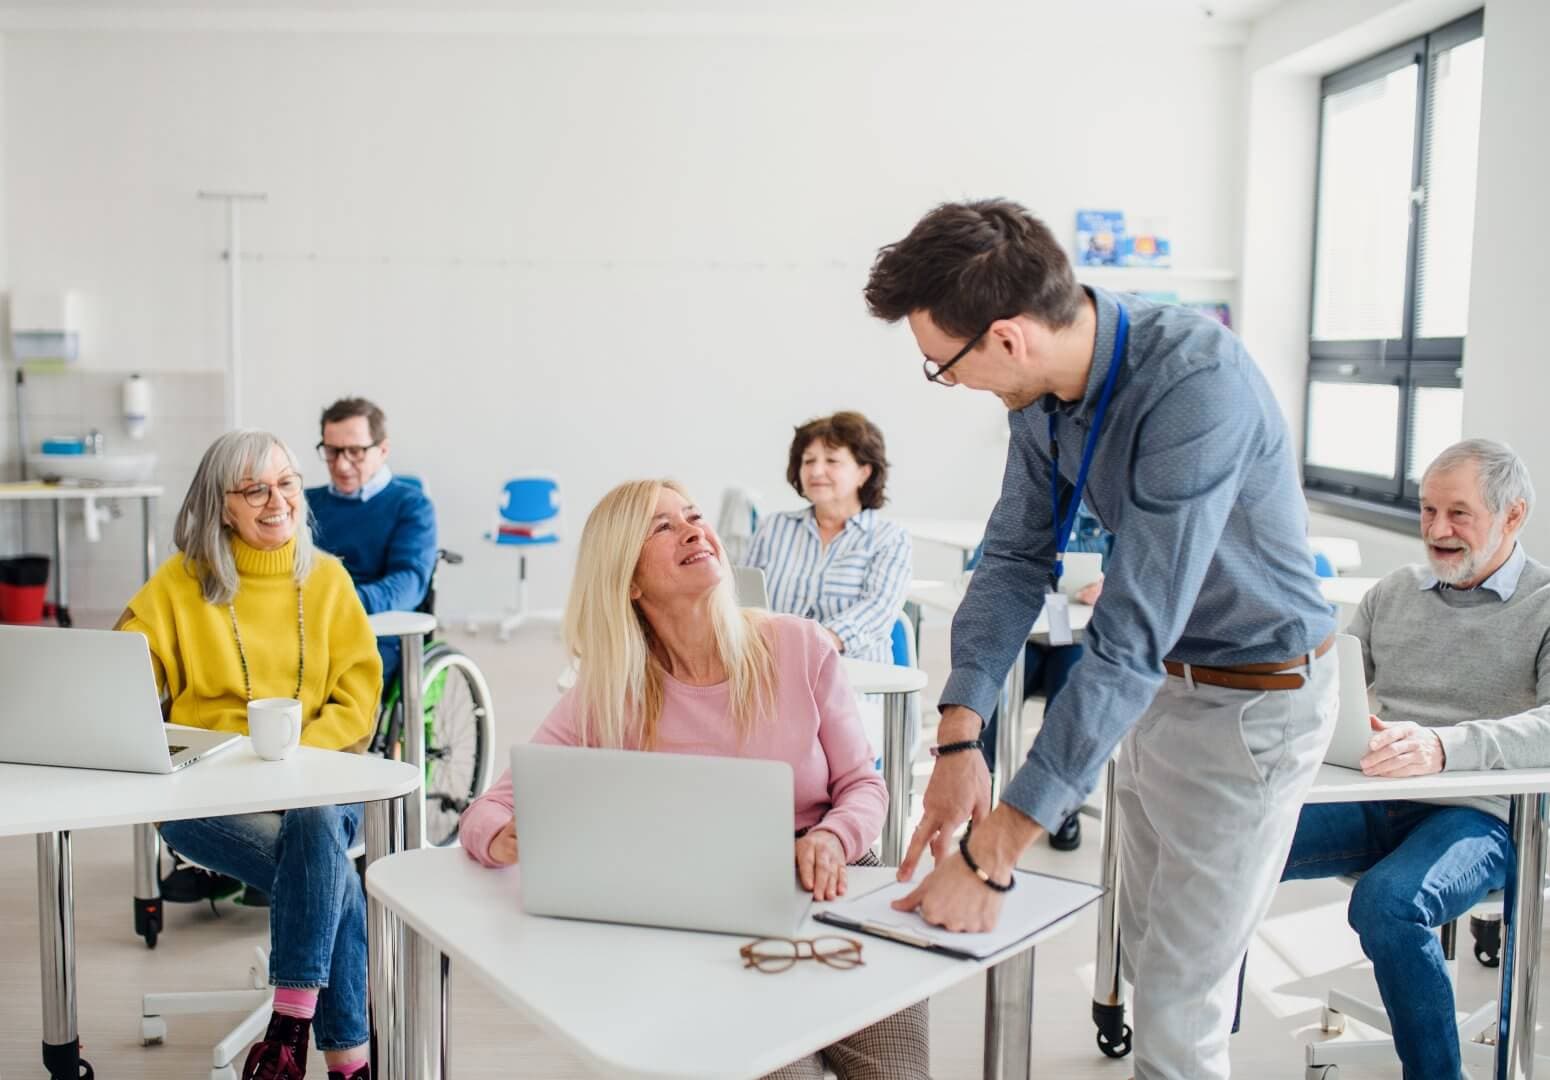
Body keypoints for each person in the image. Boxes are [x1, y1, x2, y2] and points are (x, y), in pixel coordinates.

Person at [864, 199, 1337, 1080]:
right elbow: (1012, 556)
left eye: (940, 366)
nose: (945, 381)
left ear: (1007, 338)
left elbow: (1126, 639)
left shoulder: (1197, 386)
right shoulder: (1043, 390)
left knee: (1178, 1002)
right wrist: (963, 733)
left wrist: (996, 849)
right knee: (1146, 942)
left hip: (1255, 704)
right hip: (1162, 695)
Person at [459, 479, 929, 1080]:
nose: (692, 530)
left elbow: (864, 786)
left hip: (833, 883)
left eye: (692, 515)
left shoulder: (800, 646)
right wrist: (501, 838)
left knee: (895, 1073)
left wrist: (832, 839)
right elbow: (488, 809)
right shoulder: (608, 693)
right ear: (628, 580)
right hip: (700, 913)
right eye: (661, 526)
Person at [1273, 439, 1548, 1076]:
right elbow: (1331, 697)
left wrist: (1444, 747)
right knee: (1232, 851)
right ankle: (1201, 1056)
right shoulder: (1392, 593)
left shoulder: (1545, 602)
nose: (1437, 530)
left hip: (1483, 816)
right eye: (1427, 511)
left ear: (1513, 516)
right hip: (1373, 793)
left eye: (1458, 513)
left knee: (1386, 902)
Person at [118, 430, 382, 1080]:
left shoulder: (328, 581)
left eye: (287, 483)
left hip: (321, 782)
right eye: (255, 488)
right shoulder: (182, 585)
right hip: (208, 797)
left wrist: (294, 766)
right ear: (222, 504)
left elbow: (358, 700)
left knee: (317, 822)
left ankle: (288, 1031)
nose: (277, 500)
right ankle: (350, 1064)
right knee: (335, 881)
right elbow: (123, 675)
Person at [976, 500, 1108, 851]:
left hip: (1076, 639)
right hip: (1027, 640)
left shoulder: (1107, 516)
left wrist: (1106, 589)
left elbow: (1134, 580)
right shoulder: (1024, 509)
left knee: (1070, 691)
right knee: (994, 691)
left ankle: (1058, 802)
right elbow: (980, 572)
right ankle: (982, 782)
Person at [745, 411, 912, 665]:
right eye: (808, 461)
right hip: (773, 675)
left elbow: (877, 610)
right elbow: (743, 600)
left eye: (832, 461)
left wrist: (810, 645)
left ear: (863, 473)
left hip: (855, 686)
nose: (816, 471)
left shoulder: (889, 538)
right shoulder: (773, 527)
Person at [307, 396, 437, 688]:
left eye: (354, 451)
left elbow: (409, 582)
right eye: (332, 451)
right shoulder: (303, 503)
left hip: (376, 630)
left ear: (383, 450)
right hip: (309, 625)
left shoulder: (412, 506)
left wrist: (340, 604)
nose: (341, 464)